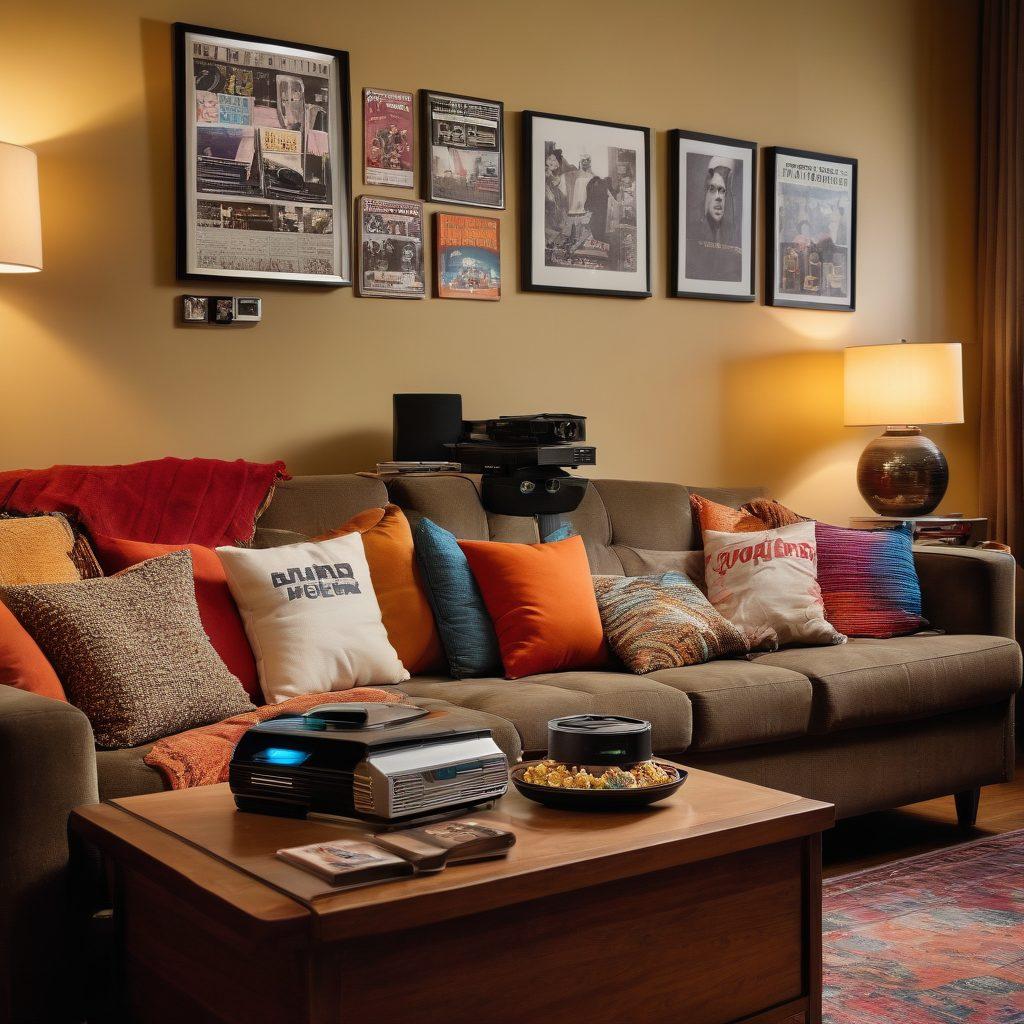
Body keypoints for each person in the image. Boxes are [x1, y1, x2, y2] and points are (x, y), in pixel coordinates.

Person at [686, 156, 742, 282]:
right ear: (705, 192)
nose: (718, 197)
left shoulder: (733, 238)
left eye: (722, 191)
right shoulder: (692, 235)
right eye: (712, 189)